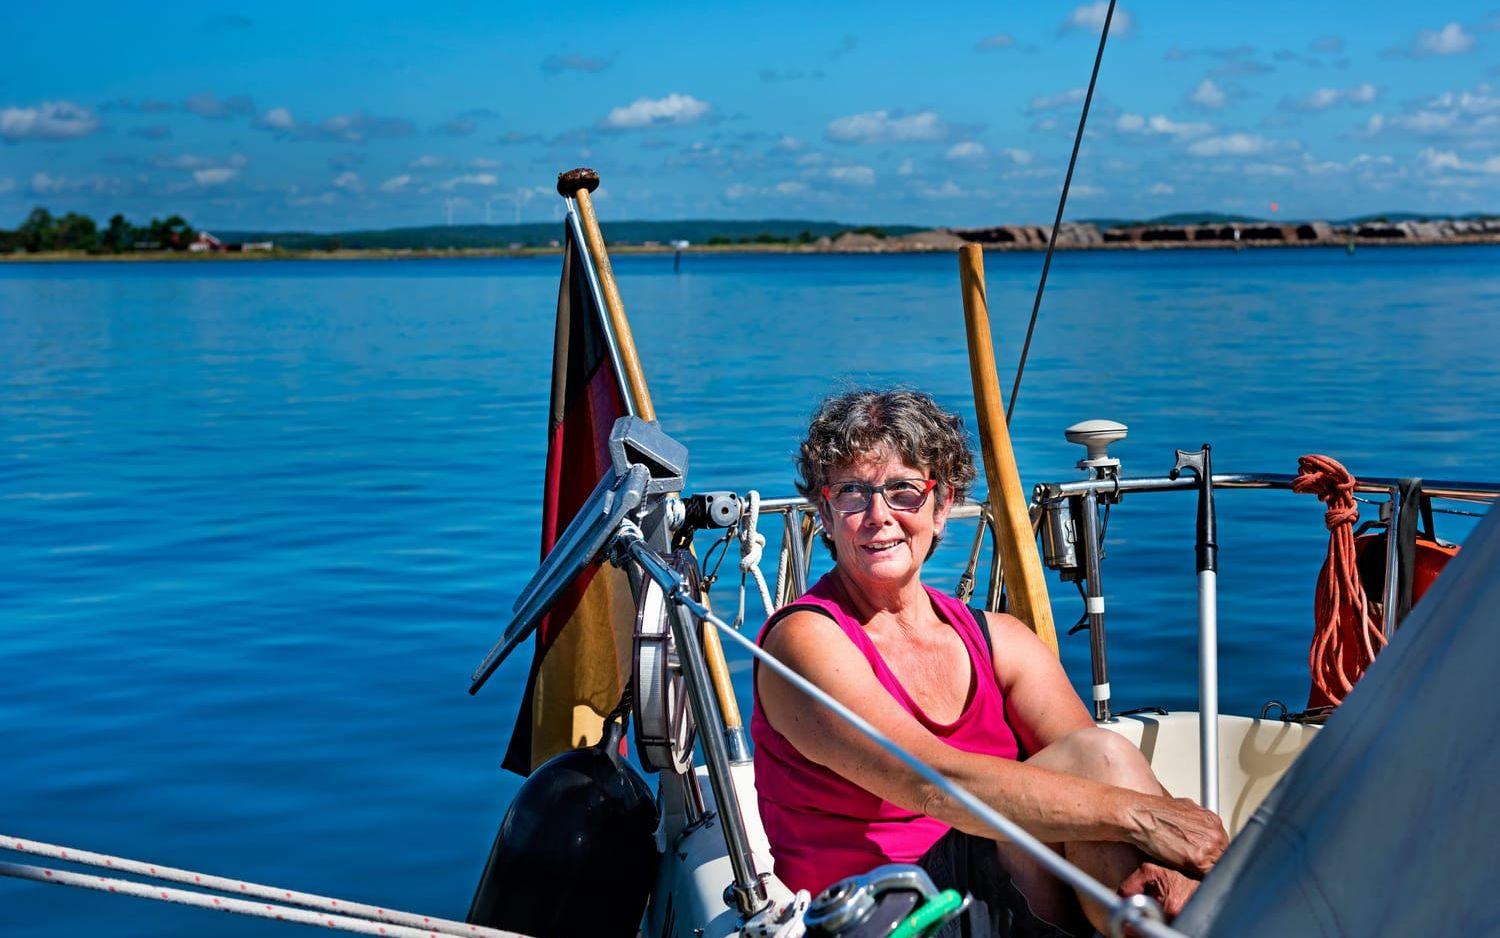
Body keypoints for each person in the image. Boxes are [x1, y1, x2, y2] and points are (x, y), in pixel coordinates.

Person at [751, 389, 1226, 937]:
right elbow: (927, 782)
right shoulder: (806, 640)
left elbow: (1105, 773)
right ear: (825, 514)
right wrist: (1150, 820)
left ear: (942, 504)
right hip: (890, 912)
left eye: (902, 491)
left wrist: (1178, 848)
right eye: (853, 494)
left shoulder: (1000, 640)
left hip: (1010, 901)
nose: (878, 517)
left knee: (1102, 767)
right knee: (1102, 774)